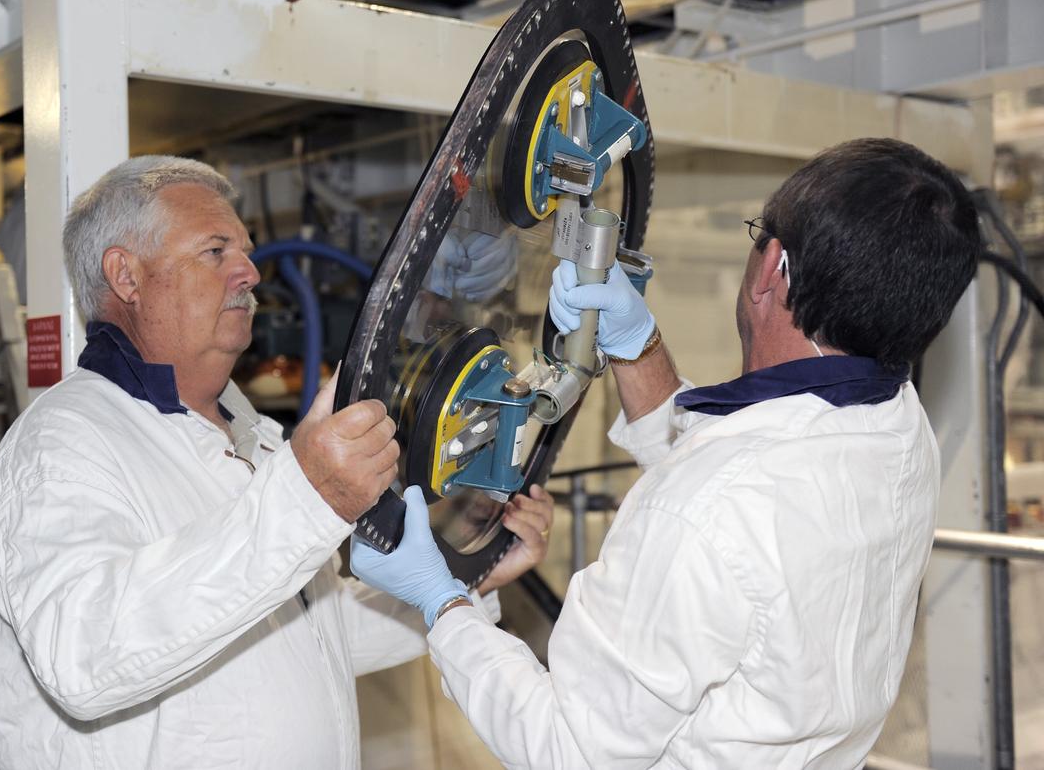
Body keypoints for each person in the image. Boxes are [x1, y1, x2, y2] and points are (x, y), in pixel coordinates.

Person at [352, 138, 982, 768]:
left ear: (772, 269)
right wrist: (638, 344)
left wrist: (444, 603)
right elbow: (733, 498)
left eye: (758, 234)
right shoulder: (898, 427)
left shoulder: (708, 508)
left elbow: (566, 751)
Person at [0, 155, 555, 769]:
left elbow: (310, 640)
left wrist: (463, 581)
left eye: (245, 251)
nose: (249, 272)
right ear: (126, 276)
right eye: (215, 251)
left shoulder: (257, 437)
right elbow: (81, 657)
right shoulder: (62, 445)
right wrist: (307, 498)